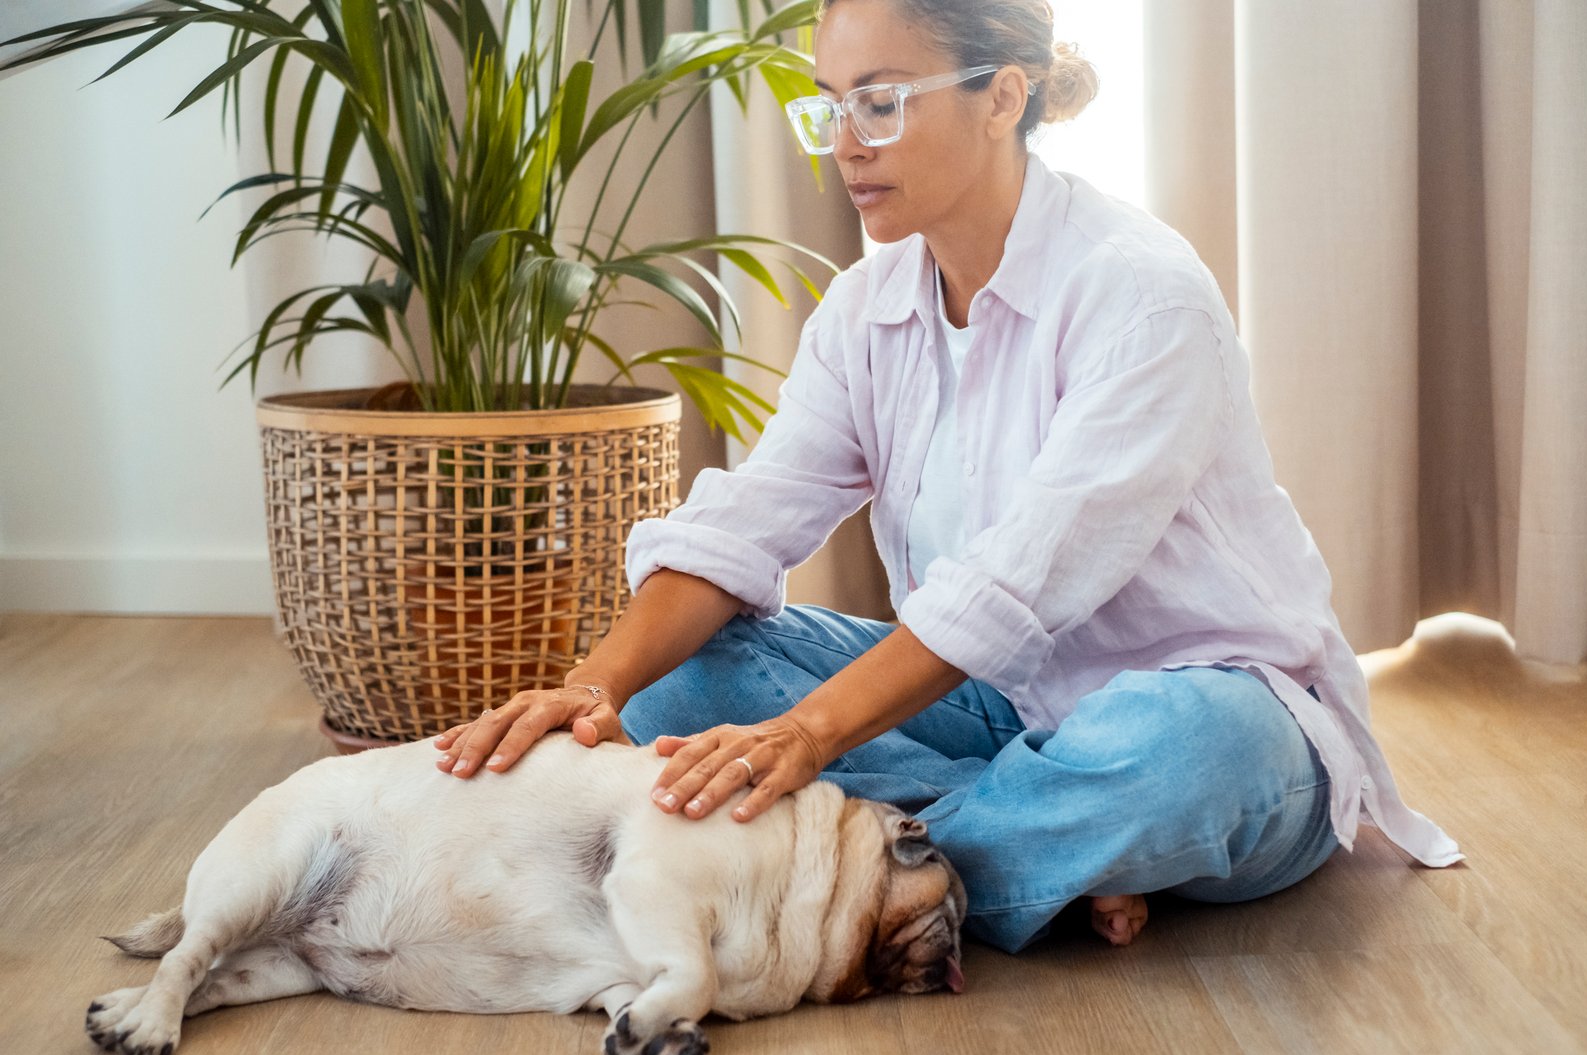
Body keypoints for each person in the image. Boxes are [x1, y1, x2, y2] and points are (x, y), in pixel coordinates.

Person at [431, 0, 1464, 955]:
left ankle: (876, 864)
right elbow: (745, 524)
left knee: (1185, 753)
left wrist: (806, 736)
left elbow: (1021, 580)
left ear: (1002, 95)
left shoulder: (1144, 298)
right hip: (999, 702)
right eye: (829, 107)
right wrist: (589, 689)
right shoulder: (865, 311)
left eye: (878, 103)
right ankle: (1032, 852)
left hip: (1223, 715)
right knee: (683, 685)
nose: (844, 143)